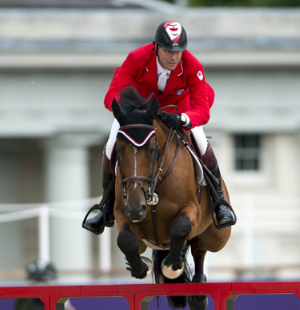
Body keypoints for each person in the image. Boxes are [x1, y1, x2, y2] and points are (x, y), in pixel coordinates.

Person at [83, 20, 236, 235]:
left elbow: (203, 110)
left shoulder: (192, 65)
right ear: (156, 47)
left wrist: (183, 119)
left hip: (178, 110)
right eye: (167, 51)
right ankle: (107, 205)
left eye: (178, 52)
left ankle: (219, 201)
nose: (173, 57)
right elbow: (112, 94)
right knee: (110, 144)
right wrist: (128, 112)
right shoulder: (137, 58)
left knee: (201, 141)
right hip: (140, 111)